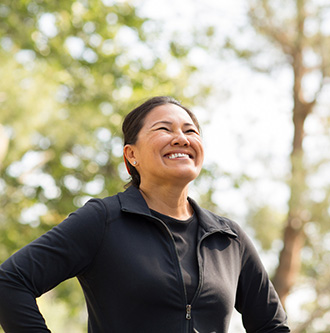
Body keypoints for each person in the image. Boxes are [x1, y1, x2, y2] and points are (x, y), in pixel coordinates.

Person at [0, 96, 290, 332]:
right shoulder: (103, 220)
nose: (181, 138)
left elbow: (272, 326)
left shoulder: (228, 238)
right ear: (131, 155)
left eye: (190, 131)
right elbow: (9, 282)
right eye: (164, 129)